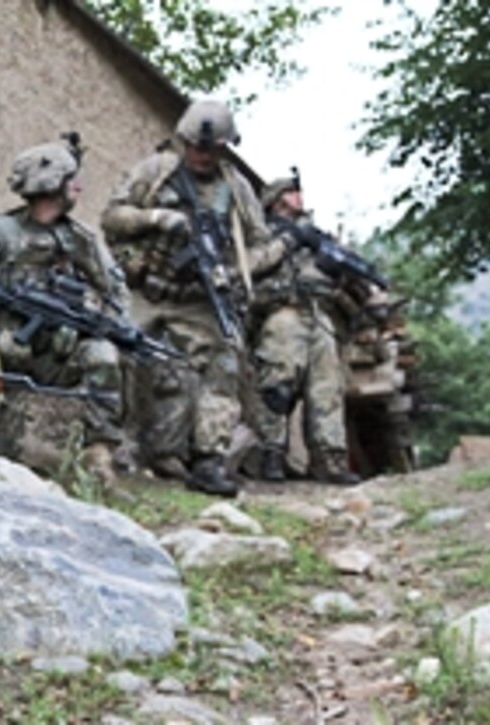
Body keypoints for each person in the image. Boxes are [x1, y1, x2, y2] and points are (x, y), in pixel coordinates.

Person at [101, 99, 293, 497]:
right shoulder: (155, 172)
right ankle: (115, 445)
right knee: (120, 355)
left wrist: (235, 270)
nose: (202, 156)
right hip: (147, 290)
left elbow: (262, 244)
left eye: (212, 149)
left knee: (224, 362)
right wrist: (155, 219)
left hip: (200, 297)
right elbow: (112, 216)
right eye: (196, 147)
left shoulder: (237, 190)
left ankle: (209, 459)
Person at [0, 139, 130, 487]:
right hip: (3, 344)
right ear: (51, 185)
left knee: (103, 356)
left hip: (57, 347)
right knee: (8, 347)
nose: (77, 187)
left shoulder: (79, 239)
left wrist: (96, 319)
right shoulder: (0, 233)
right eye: (71, 179)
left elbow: (114, 291)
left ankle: (98, 452)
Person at [250, 175, 362, 484]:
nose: (299, 197)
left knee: (327, 389)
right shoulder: (261, 232)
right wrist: (288, 241)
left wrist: (333, 263)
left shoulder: (314, 237)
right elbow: (251, 266)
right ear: (277, 199)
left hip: (319, 314)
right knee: (277, 384)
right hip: (282, 312)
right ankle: (271, 455)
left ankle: (330, 460)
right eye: (291, 192)